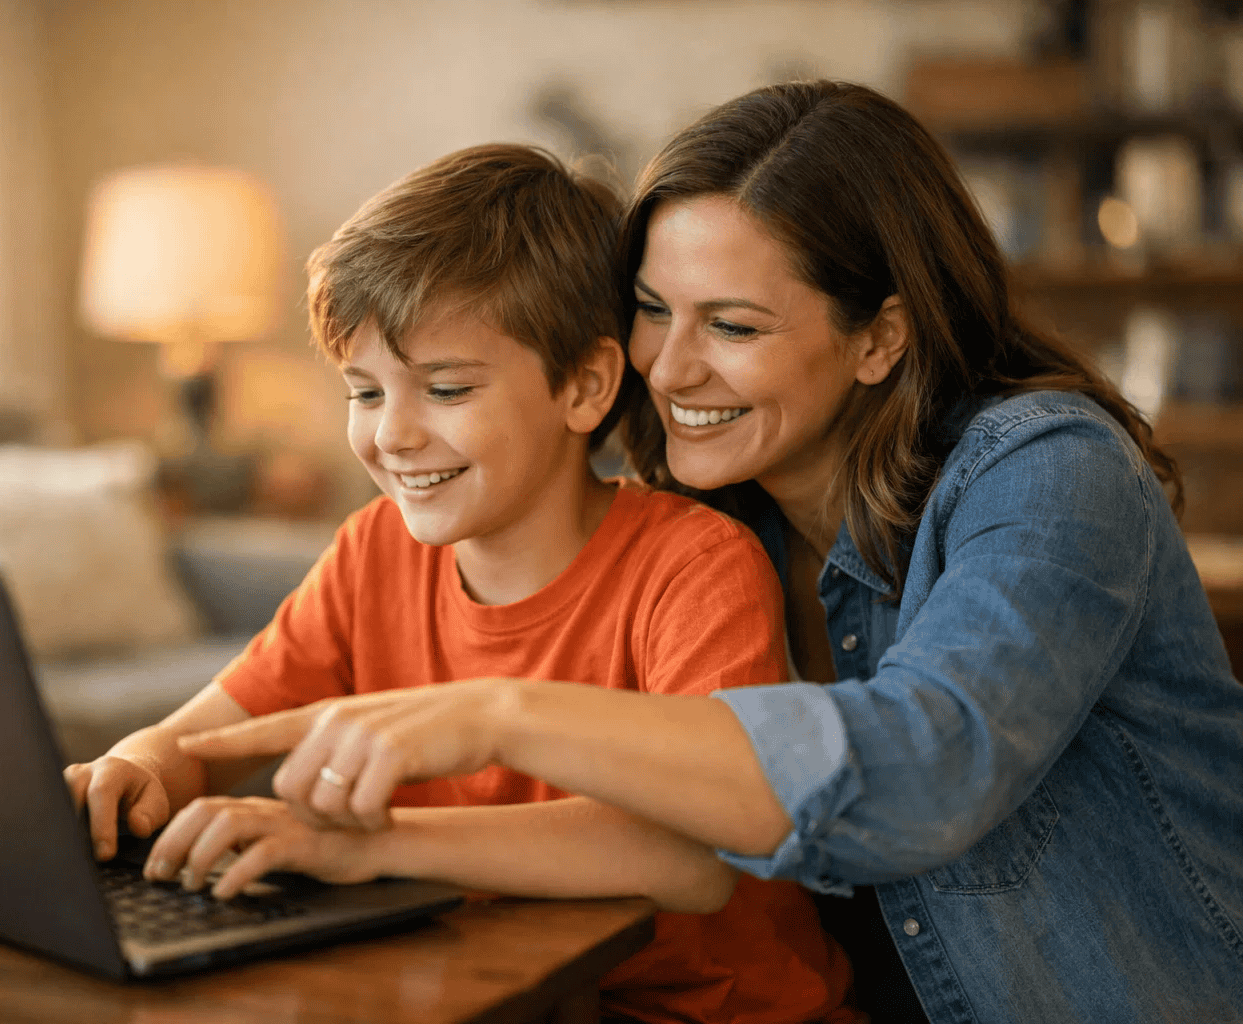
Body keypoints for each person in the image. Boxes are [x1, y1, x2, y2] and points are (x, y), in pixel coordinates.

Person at [185, 83, 1243, 1023]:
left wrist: (490, 713)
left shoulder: (1051, 470)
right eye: (651, 311)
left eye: (731, 326)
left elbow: (926, 766)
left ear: (880, 336)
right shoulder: (723, 516)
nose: (669, 366)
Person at [65, 143, 861, 1024]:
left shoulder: (693, 565)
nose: (392, 436)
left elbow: (694, 859)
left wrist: (369, 847)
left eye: (444, 389)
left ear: (587, 387)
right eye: (364, 393)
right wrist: (133, 767)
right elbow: (211, 734)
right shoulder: (372, 550)